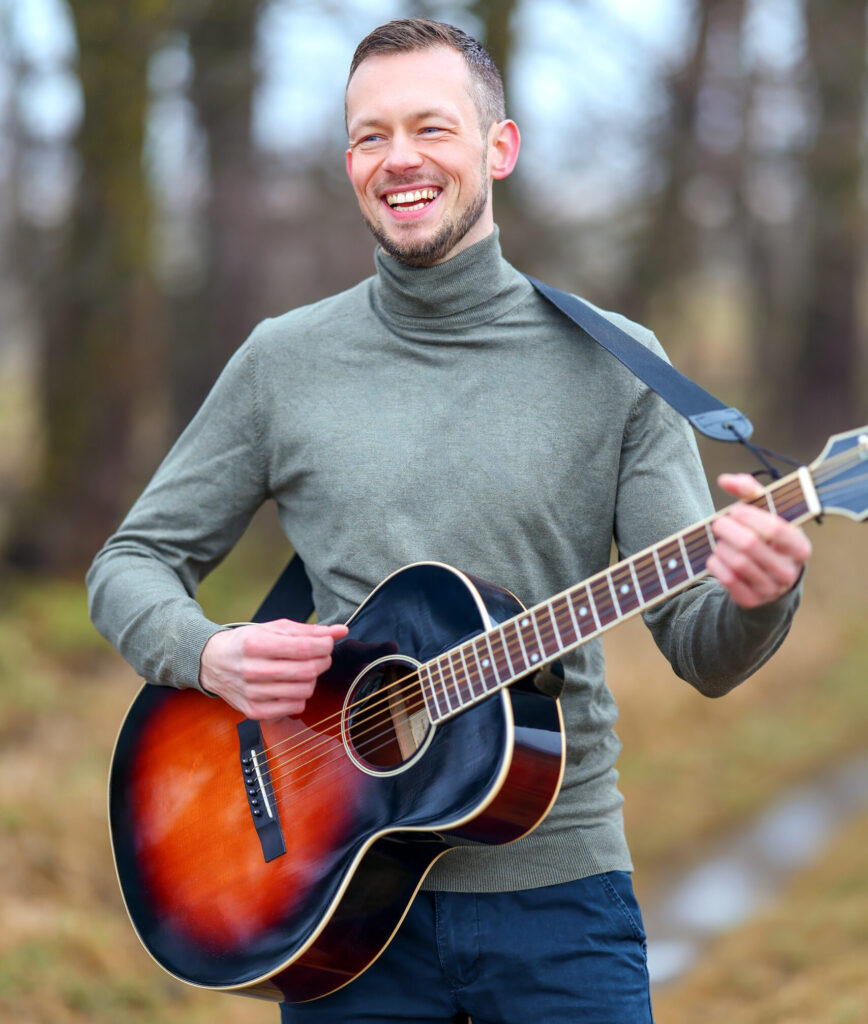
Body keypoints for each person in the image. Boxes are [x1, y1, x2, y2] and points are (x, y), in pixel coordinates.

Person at [87, 18, 812, 1024]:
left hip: (560, 905)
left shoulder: (617, 368)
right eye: (370, 136)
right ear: (349, 162)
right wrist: (208, 654)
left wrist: (760, 593)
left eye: (431, 128)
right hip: (336, 905)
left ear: (497, 147)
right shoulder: (282, 363)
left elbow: (702, 648)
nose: (400, 161)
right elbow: (130, 563)